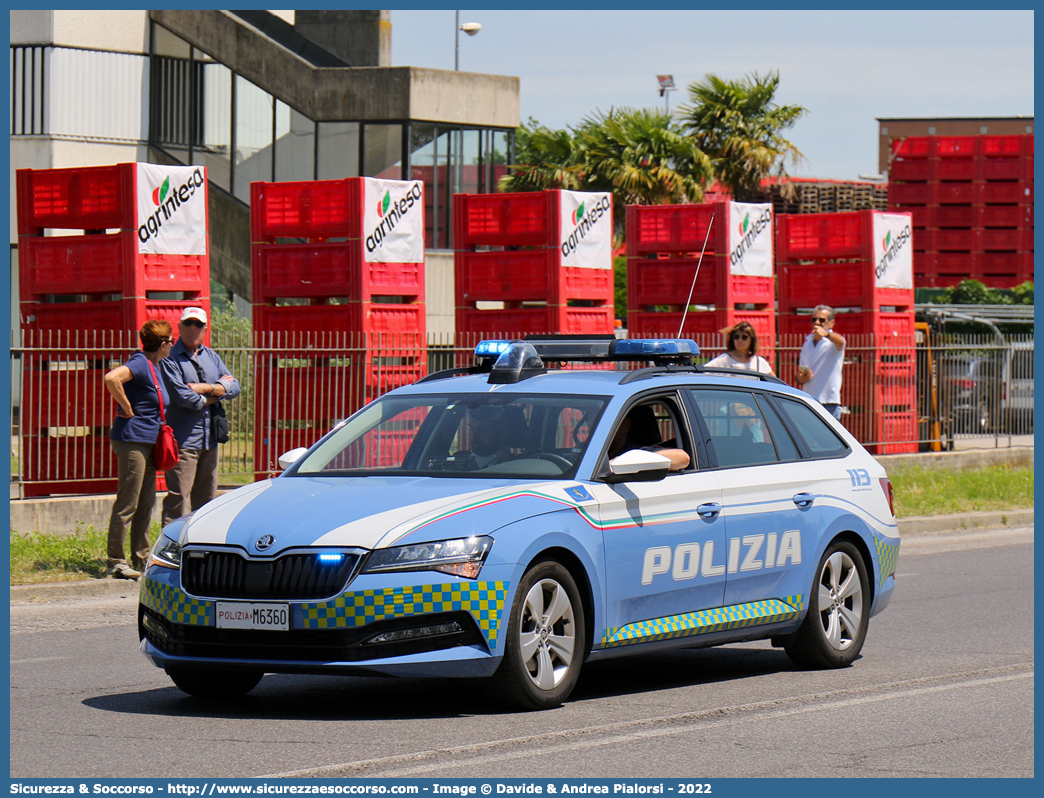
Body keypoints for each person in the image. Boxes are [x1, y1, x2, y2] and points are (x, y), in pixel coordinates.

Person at [103, 320, 175, 579]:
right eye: (171, 342)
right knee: (129, 501)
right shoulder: (140, 363)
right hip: (132, 440)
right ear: (164, 344)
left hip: (148, 441)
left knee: (145, 502)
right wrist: (126, 406)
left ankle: (141, 557)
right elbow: (112, 378)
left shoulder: (155, 366)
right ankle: (115, 561)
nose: (172, 346)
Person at [160, 307, 241, 526]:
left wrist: (204, 387)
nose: (193, 328)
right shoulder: (170, 359)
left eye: (198, 324)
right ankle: (170, 552)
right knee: (178, 499)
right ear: (179, 327)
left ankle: (201, 549)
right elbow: (184, 398)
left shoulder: (211, 356)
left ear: (205, 329)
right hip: (183, 441)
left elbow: (235, 388)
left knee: (206, 502)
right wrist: (216, 393)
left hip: (210, 440)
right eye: (188, 324)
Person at [796, 304, 847, 419]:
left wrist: (827, 334)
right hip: (808, 401)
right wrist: (801, 378)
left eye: (822, 320)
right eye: (814, 319)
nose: (817, 323)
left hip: (828, 402)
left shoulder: (833, 343)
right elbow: (800, 375)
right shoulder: (807, 343)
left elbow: (841, 341)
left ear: (831, 323)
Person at [607, 404, 690, 471]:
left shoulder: (638, 451)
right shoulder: (595, 452)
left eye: (610, 423)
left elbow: (683, 458)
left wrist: (632, 459)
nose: (601, 428)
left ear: (626, 425)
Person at [704, 321, 775, 375]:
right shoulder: (724, 360)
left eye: (744, 337)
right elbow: (702, 373)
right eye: (736, 337)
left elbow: (775, 383)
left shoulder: (759, 362)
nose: (739, 340)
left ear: (751, 340)